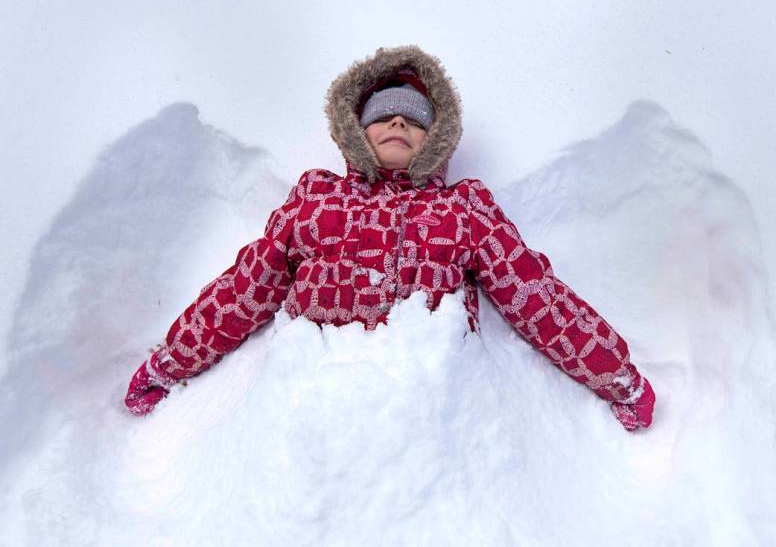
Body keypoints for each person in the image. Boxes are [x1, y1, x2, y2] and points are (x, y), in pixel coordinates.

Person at [125, 45, 656, 431]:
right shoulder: (314, 199)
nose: (399, 120)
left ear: (437, 136)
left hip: (423, 421)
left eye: (415, 118)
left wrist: (617, 376)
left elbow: (533, 295)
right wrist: (169, 363)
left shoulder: (462, 209)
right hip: (312, 419)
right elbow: (245, 288)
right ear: (355, 128)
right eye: (383, 114)